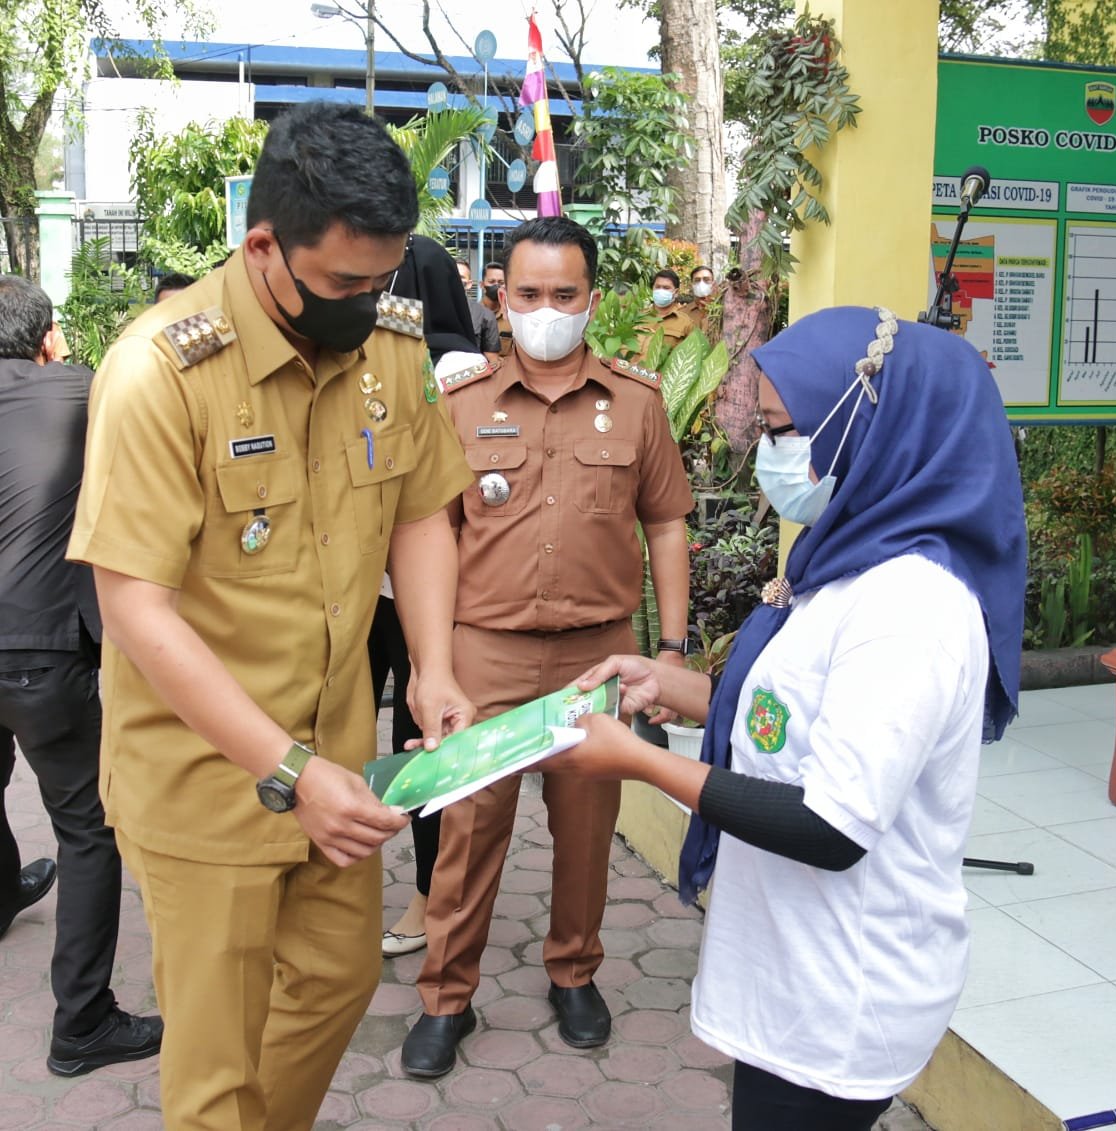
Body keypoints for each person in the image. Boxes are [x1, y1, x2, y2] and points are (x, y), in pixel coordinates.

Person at [67, 102, 475, 1130]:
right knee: (212, 1068)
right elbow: (135, 606)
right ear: (264, 247)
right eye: (344, 282)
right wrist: (283, 771)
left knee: (336, 987)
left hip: (337, 763)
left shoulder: (387, 344)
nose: (369, 300)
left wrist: (432, 666)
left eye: (384, 280)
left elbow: (422, 510)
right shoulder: (161, 372)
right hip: (206, 778)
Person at [545, 305, 1027, 1130]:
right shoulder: (850, 561)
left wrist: (636, 760)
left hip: (844, 986)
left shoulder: (909, 608)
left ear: (872, 422)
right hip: (795, 964)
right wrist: (674, 688)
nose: (771, 455)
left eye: (781, 429)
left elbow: (830, 826)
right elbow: (794, 717)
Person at [401, 215, 694, 1079]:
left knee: (586, 832)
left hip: (595, 658)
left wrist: (671, 651)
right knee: (467, 835)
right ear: (502, 298)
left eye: (565, 295)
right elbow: (430, 537)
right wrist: (433, 665)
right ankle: (445, 997)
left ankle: (575, 971)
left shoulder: (636, 403)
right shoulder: (460, 403)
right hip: (484, 652)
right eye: (529, 294)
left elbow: (668, 524)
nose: (546, 311)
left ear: (591, 299)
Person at [0, 275, 164, 1077]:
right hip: (37, 649)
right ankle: (85, 1022)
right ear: (48, 336)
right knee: (88, 829)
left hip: (21, 644)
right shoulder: (82, 387)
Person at [372, 235, 483, 959]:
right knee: (400, 740)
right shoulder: (360, 358)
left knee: (422, 742)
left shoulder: (456, 377)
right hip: (374, 592)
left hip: (425, 593)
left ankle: (428, 894)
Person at [636, 268, 693, 360]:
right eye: (657, 287)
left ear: (676, 292)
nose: (660, 291)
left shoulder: (686, 323)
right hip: (630, 372)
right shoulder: (638, 317)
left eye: (666, 288)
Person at [455, 258, 500, 362]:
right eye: (451, 275)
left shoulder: (485, 315)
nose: (455, 280)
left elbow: (492, 361)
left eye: (461, 277)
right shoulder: (428, 311)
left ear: (469, 284)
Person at [479, 259, 513, 357]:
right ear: (482, 285)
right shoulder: (472, 314)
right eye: (492, 281)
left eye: (501, 282)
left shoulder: (511, 317)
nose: (496, 285)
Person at [685, 264, 718, 334]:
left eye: (706, 280)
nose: (701, 284)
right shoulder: (683, 313)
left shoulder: (722, 311)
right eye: (697, 280)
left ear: (713, 283)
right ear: (691, 285)